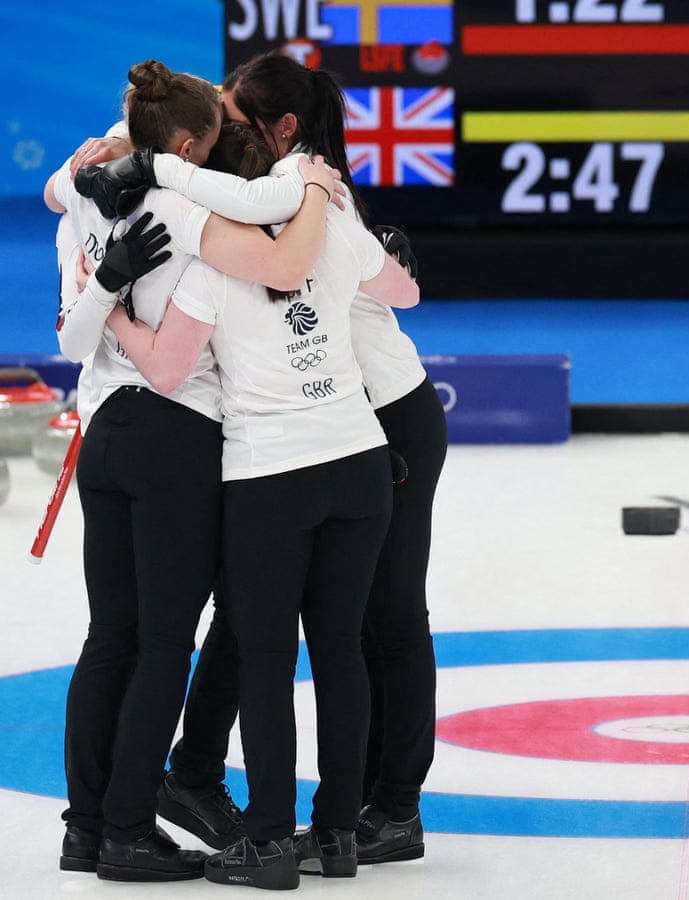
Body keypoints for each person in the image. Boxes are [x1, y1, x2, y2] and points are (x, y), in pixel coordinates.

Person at [91, 50, 448, 867]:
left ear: (278, 133)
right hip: (334, 427)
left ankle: (386, 806)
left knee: (378, 617)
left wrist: (101, 298)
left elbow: (386, 288)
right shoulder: (253, 196)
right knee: (261, 610)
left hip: (381, 413)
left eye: (232, 118)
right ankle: (228, 783)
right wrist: (113, 155)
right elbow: (164, 133)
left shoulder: (297, 194)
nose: (214, 129)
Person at [45, 59, 339, 882]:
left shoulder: (81, 188)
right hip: (172, 436)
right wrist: (315, 187)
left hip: (101, 425)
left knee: (111, 637)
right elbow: (281, 264)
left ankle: (88, 824)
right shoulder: (184, 207)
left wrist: (98, 156)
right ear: (185, 144)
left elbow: (56, 195)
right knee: (167, 641)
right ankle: (130, 829)